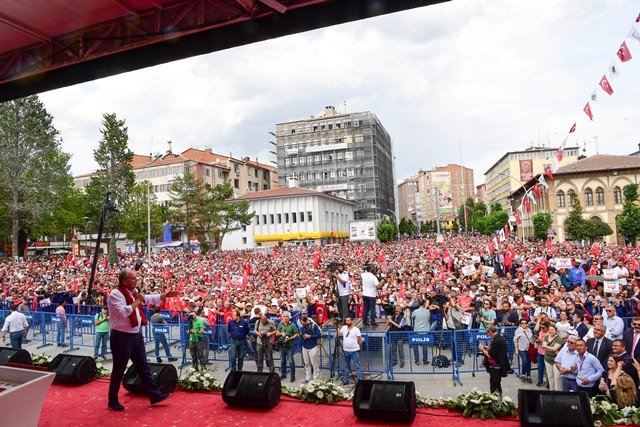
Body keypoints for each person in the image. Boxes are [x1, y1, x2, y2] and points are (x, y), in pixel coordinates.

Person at [107, 269, 179, 411]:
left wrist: (165, 296)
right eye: (133, 278)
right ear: (124, 281)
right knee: (118, 370)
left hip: (135, 335)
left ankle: (155, 395)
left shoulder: (132, 293)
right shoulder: (115, 294)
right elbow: (123, 312)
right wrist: (138, 300)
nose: (136, 280)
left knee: (144, 367)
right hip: (121, 337)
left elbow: (149, 298)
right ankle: (112, 400)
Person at [479, 324, 508, 395]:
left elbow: (490, 355)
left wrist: (482, 349)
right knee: (496, 384)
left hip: (496, 366)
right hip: (496, 365)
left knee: (494, 386)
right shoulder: (497, 338)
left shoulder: (497, 340)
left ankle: (496, 401)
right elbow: (495, 350)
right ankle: (498, 400)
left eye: (487, 332)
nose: (487, 334)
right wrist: (489, 348)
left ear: (491, 331)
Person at [338, 316, 363, 385]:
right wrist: (339, 328)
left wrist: (358, 343)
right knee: (346, 366)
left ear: (352, 321)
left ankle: (360, 381)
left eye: (349, 320)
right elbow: (337, 335)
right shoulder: (343, 328)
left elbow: (360, 339)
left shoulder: (356, 329)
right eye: (346, 320)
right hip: (346, 350)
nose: (347, 322)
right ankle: (346, 380)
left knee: (357, 366)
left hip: (354, 350)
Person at [299, 314, 322, 383]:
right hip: (304, 347)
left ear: (306, 321)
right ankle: (307, 378)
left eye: (303, 323)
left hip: (312, 347)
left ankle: (316, 379)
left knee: (314, 364)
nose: (302, 325)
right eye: (301, 323)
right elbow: (302, 333)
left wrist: (310, 336)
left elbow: (319, 335)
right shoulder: (303, 326)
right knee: (306, 364)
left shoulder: (313, 326)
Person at [276, 311, 298, 382]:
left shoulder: (293, 325)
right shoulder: (280, 324)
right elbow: (277, 333)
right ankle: (283, 374)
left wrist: (291, 338)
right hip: (282, 346)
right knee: (282, 361)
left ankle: (292, 376)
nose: (285, 318)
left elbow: (296, 334)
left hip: (289, 346)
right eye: (284, 316)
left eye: (286, 316)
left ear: (289, 317)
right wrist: (281, 333)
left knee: (291, 362)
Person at [541, 324, 563, 391]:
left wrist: (547, 347)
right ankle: (552, 391)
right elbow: (543, 347)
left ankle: (558, 392)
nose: (550, 331)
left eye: (552, 330)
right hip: (547, 359)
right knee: (550, 376)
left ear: (556, 331)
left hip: (556, 361)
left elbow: (554, 348)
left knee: (557, 377)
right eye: (549, 330)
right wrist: (552, 349)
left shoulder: (559, 339)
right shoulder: (546, 336)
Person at [411, 299, 431, 366]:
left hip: (417, 331)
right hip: (425, 332)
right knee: (425, 348)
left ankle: (417, 361)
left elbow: (412, 317)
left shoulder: (415, 311)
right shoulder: (428, 311)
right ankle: (425, 360)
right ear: (424, 303)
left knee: (415, 347)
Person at [514, 319, 534, 383]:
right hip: (522, 349)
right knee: (525, 361)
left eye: (525, 323)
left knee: (529, 362)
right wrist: (516, 349)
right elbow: (515, 340)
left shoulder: (529, 330)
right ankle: (523, 374)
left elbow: (531, 339)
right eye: (522, 323)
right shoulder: (518, 331)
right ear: (520, 324)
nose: (524, 324)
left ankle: (528, 375)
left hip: (529, 349)